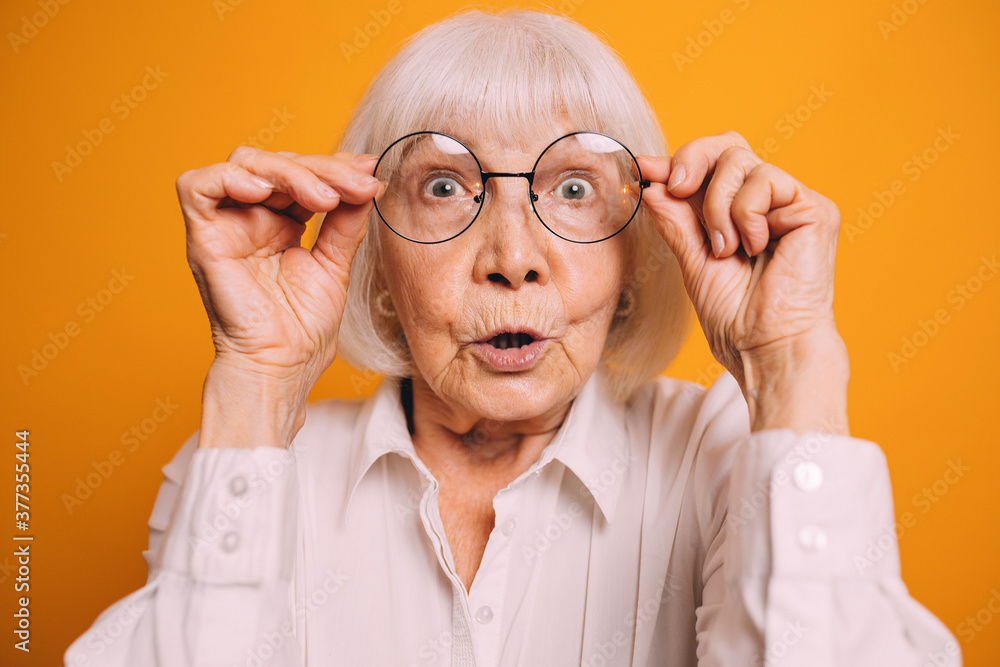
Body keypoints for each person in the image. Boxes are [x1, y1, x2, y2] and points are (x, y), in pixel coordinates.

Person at [64, 8, 962, 667]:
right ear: (375, 248)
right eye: (447, 187)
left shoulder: (721, 454)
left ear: (635, 251)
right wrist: (255, 379)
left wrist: (791, 363)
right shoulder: (248, 469)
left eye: (572, 189)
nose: (513, 259)